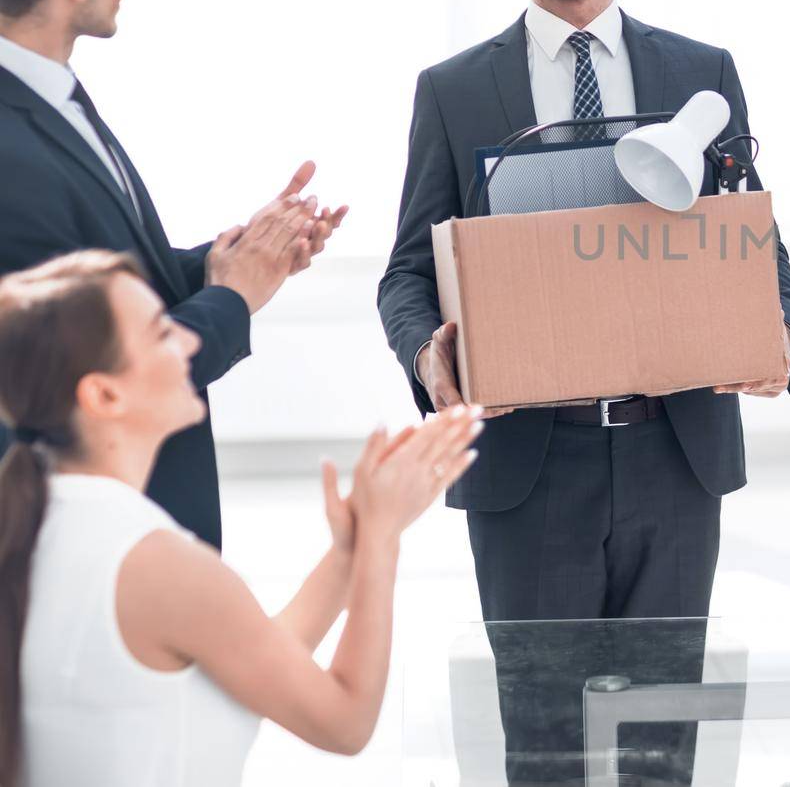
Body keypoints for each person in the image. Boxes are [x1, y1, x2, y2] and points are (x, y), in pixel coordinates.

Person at [378, 0, 790, 625]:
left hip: (675, 455)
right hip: (525, 464)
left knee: (664, 730)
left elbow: (749, 235)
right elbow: (407, 269)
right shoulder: (453, 89)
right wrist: (430, 358)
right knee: (541, 733)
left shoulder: (700, 72)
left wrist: (782, 330)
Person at [0, 249, 480, 786]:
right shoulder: (154, 561)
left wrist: (353, 546)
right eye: (162, 333)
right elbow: (345, 721)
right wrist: (382, 538)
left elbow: (248, 653)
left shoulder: (40, 521)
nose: (189, 340)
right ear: (103, 394)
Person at [0, 0, 347, 549]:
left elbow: (99, 281)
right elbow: (93, 380)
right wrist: (233, 297)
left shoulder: (51, 93)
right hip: (96, 542)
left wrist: (239, 258)